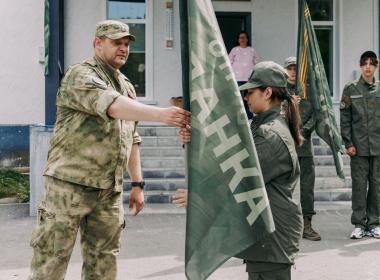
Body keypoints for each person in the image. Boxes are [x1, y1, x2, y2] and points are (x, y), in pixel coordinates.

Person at [29, 20, 190, 280]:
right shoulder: (80, 75)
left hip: (107, 193)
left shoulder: (126, 85)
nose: (123, 48)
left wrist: (138, 184)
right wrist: (162, 114)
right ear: (98, 43)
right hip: (69, 187)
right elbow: (111, 106)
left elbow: (132, 138)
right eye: (117, 42)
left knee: (104, 264)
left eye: (126, 44)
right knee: (51, 262)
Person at [178, 61, 303, 280]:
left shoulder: (270, 135)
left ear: (267, 92)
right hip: (269, 241)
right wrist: (195, 138)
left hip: (273, 244)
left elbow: (241, 181)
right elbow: (232, 154)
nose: (245, 98)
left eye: (250, 92)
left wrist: (199, 195)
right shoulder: (263, 127)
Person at [340, 50, 380, 239]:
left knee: (376, 186)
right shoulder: (351, 89)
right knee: (359, 186)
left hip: (378, 147)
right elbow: (345, 118)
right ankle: (359, 224)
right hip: (359, 148)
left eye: (372, 63)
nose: (368, 67)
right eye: (365, 63)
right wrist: (348, 143)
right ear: (360, 65)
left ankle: (374, 223)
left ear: (376, 66)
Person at [284, 57, 321, 241]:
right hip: (285, 148)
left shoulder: (308, 90)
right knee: (287, 188)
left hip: (305, 148)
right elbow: (277, 114)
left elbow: (315, 115)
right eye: (289, 68)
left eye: (295, 69)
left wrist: (302, 133)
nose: (292, 72)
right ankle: (289, 227)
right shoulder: (280, 92)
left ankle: (307, 225)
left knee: (306, 188)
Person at [229, 31, 259, 120]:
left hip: (248, 79)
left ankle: (249, 116)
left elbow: (257, 62)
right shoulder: (235, 50)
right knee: (238, 98)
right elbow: (228, 62)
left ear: (247, 39)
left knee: (248, 98)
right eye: (240, 37)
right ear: (238, 40)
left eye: (244, 37)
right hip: (237, 78)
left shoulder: (251, 50)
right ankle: (238, 116)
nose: (242, 39)